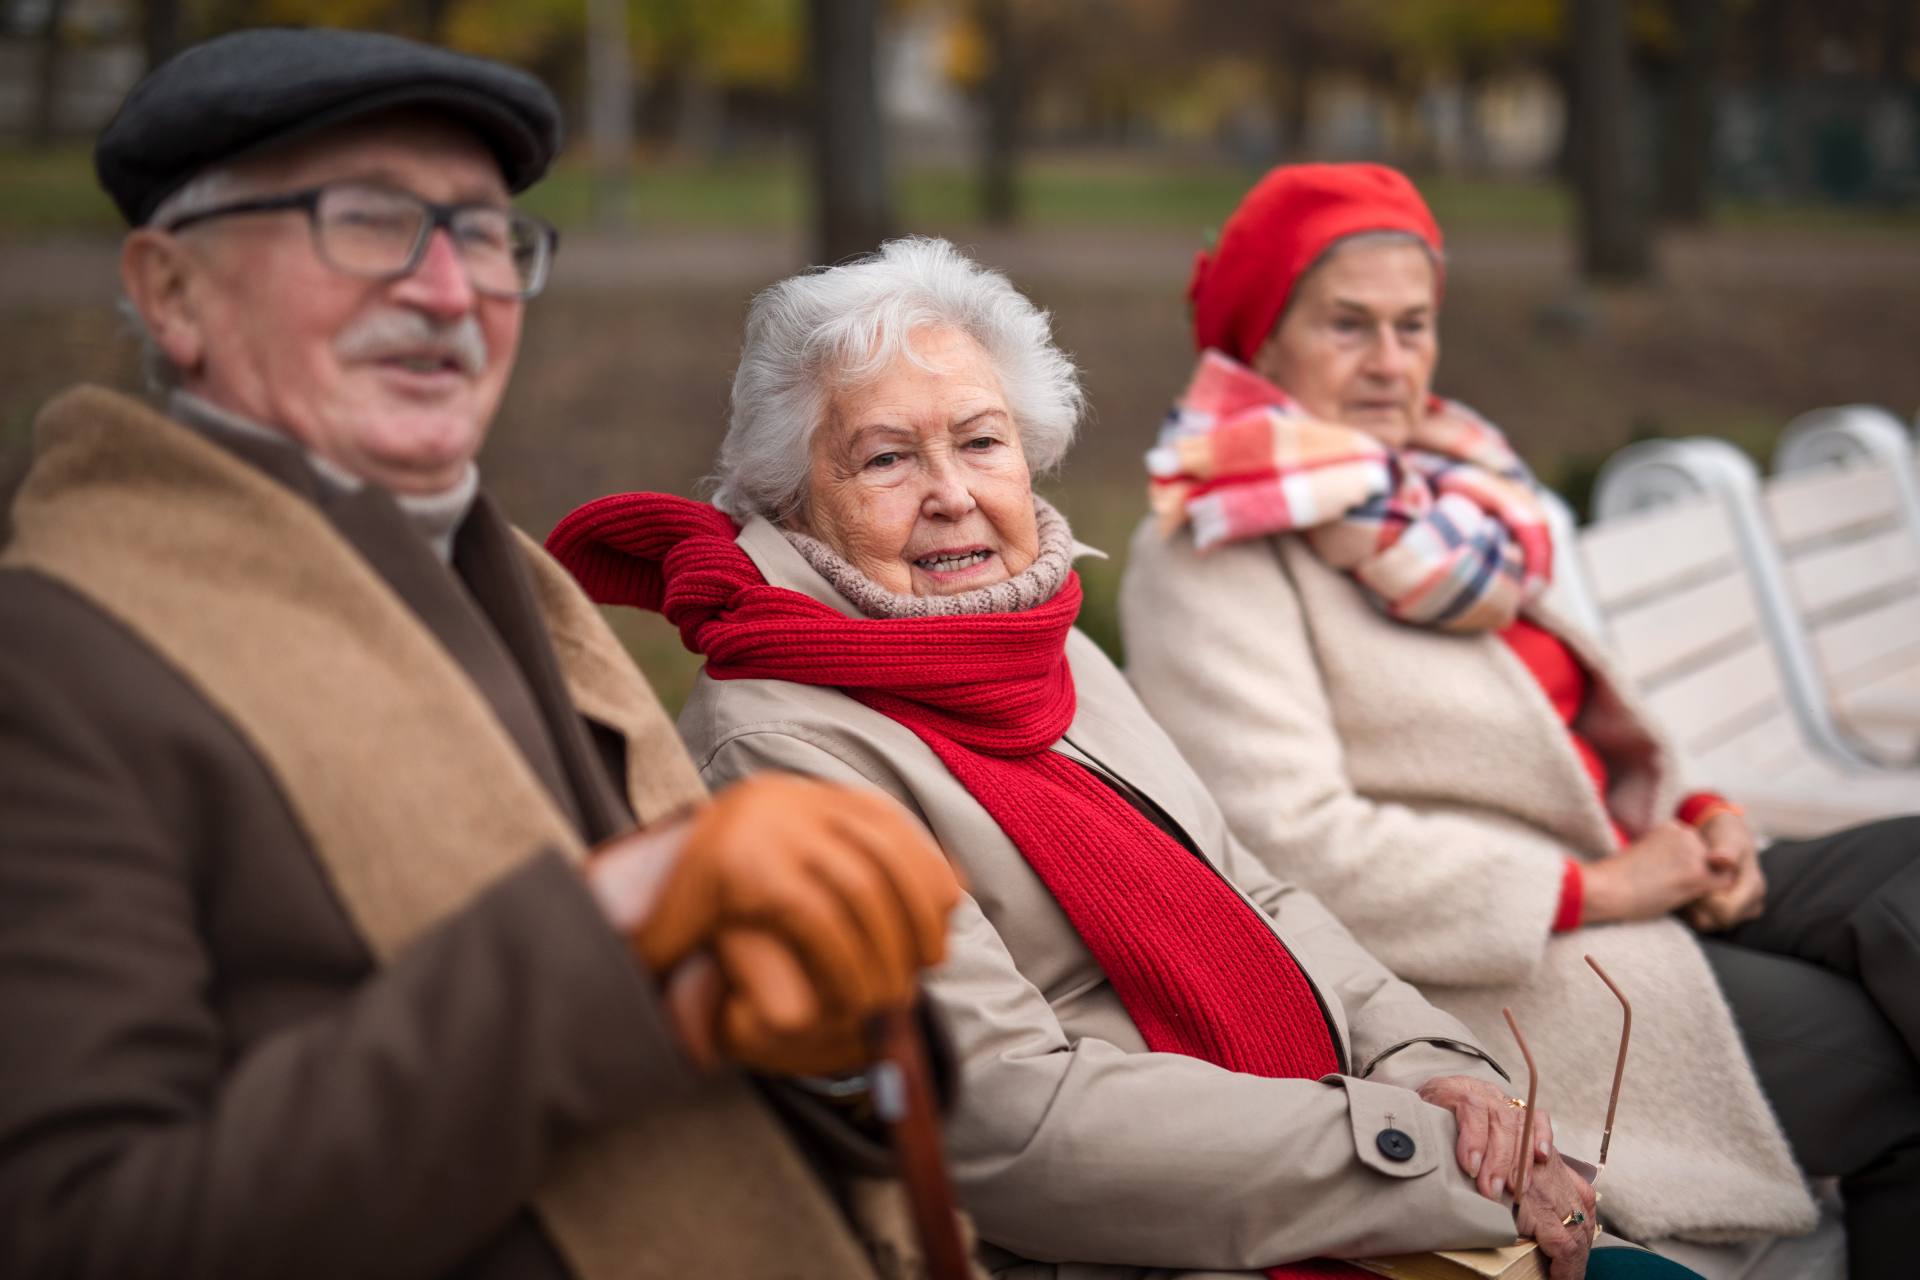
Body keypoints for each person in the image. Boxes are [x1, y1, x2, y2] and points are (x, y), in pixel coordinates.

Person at [546, 236, 1712, 1280]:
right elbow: (1001, 1117)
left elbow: (1252, 890)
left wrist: (1434, 1064)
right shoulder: (781, 743)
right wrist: (1416, 1157)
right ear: (790, 505)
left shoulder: (1045, 643)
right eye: (887, 459)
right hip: (1137, 1241)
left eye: (981, 441)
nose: (952, 495)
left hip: (1319, 1163)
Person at [0, 29, 965, 1280]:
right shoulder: (56, 656)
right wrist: (615, 923)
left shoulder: (518, 579)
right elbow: (88, 1230)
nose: (451, 290)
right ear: (174, 293)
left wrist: (834, 1028)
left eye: (483, 236)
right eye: (364, 221)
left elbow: (705, 1048)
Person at [1118, 162, 1920, 1277]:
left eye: (1413, 325)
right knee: (1888, 1067)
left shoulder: (1446, 496)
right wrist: (1600, 887)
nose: (1390, 360)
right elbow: (1288, 841)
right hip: (1514, 959)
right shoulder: (1213, 547)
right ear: (1260, 342)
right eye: (1348, 325)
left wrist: (1700, 812)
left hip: (1638, 877)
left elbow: (1573, 726)